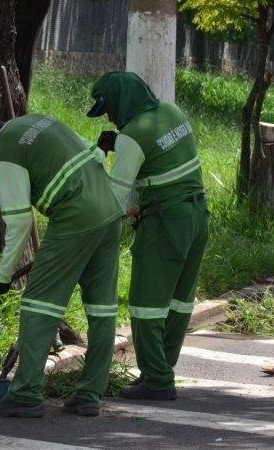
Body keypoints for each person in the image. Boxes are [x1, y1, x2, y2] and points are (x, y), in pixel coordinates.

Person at [0, 111, 122, 417]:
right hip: (109, 211)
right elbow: (93, 153)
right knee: (102, 309)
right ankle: (89, 395)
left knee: (38, 304)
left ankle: (26, 394)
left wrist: (1, 277)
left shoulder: (6, 152)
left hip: (75, 214)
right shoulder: (37, 121)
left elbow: (18, 222)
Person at [87, 71, 209, 400]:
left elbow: (113, 198)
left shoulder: (132, 137)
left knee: (145, 304)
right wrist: (121, 144)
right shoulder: (173, 112)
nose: (110, 117)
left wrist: (102, 155)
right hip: (198, 216)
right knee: (179, 301)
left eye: (109, 109)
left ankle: (156, 380)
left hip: (165, 221)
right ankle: (161, 371)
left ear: (122, 102)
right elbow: (162, 154)